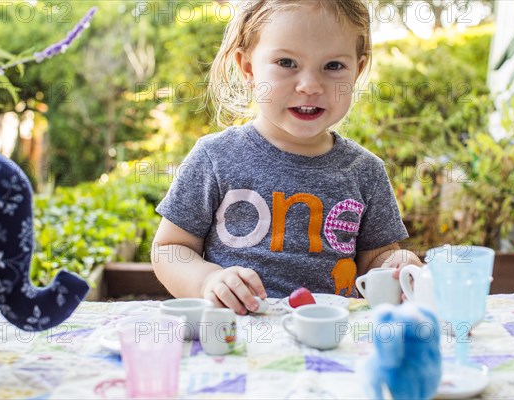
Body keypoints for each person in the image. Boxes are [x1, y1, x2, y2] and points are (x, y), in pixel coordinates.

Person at [152, 0, 422, 315]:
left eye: (333, 66)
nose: (310, 86)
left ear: (357, 70)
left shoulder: (365, 172)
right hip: (239, 338)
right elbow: (171, 249)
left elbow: (377, 260)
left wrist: (397, 265)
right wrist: (207, 281)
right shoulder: (215, 158)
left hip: (332, 342)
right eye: (286, 62)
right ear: (249, 68)